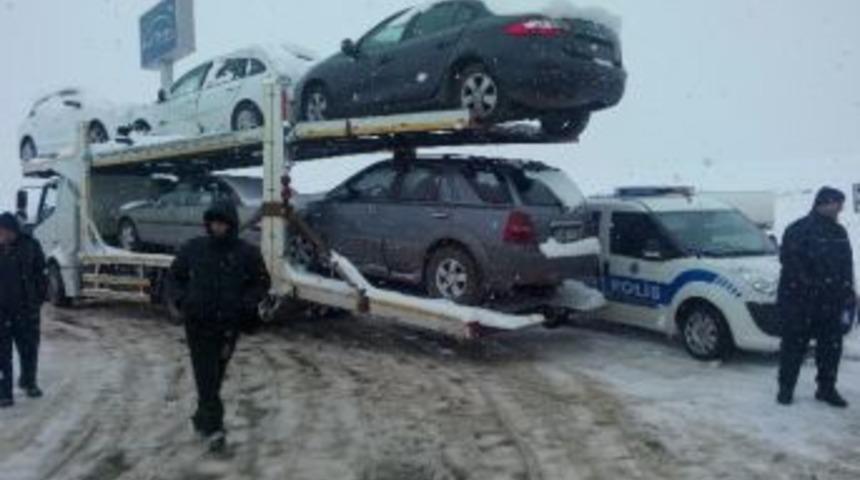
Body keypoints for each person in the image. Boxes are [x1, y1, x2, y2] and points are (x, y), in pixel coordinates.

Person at [169, 201, 270, 451]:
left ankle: (202, 419)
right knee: (206, 378)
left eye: (223, 222)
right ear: (208, 223)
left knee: (214, 378)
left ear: (232, 224)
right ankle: (214, 432)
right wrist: (183, 301)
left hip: (228, 327)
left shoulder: (246, 252)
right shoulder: (194, 248)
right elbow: (174, 277)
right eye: (214, 221)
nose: (218, 226)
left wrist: (246, 303)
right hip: (198, 325)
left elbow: (261, 282)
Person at [777, 187, 856, 408]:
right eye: (837, 203)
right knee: (793, 347)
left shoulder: (839, 232)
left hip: (831, 302)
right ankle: (786, 389)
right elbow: (791, 264)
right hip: (800, 301)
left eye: (842, 203)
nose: (841, 207)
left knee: (831, 347)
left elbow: (846, 265)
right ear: (823, 203)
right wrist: (813, 287)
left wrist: (848, 290)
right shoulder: (798, 229)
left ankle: (826, 388)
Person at [0, 212, 48, 408]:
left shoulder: (30, 246)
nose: (2, 234)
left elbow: (41, 273)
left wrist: (37, 299)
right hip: (1, 312)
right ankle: (4, 393)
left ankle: (29, 382)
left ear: (13, 230)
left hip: (26, 309)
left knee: (29, 349)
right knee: (2, 355)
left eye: (4, 231)